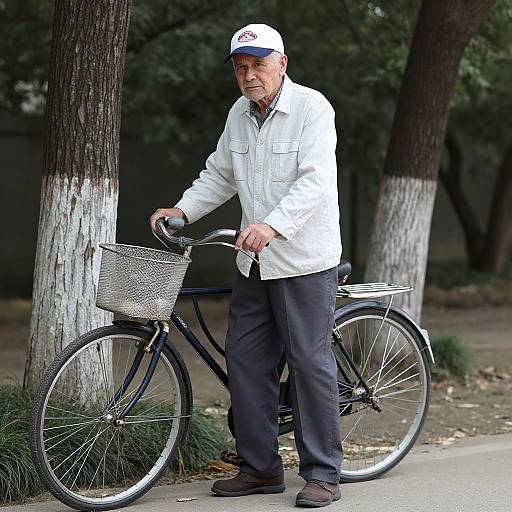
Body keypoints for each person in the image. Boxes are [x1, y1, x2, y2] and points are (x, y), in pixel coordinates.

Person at [150, 23, 343, 508]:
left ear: (282, 63)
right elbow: (219, 173)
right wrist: (183, 210)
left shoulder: (312, 109)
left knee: (307, 364)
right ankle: (260, 469)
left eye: (258, 64)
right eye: (240, 66)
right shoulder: (240, 113)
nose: (249, 74)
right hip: (252, 263)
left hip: (302, 259)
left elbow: (315, 181)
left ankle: (322, 473)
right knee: (246, 362)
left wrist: (274, 225)